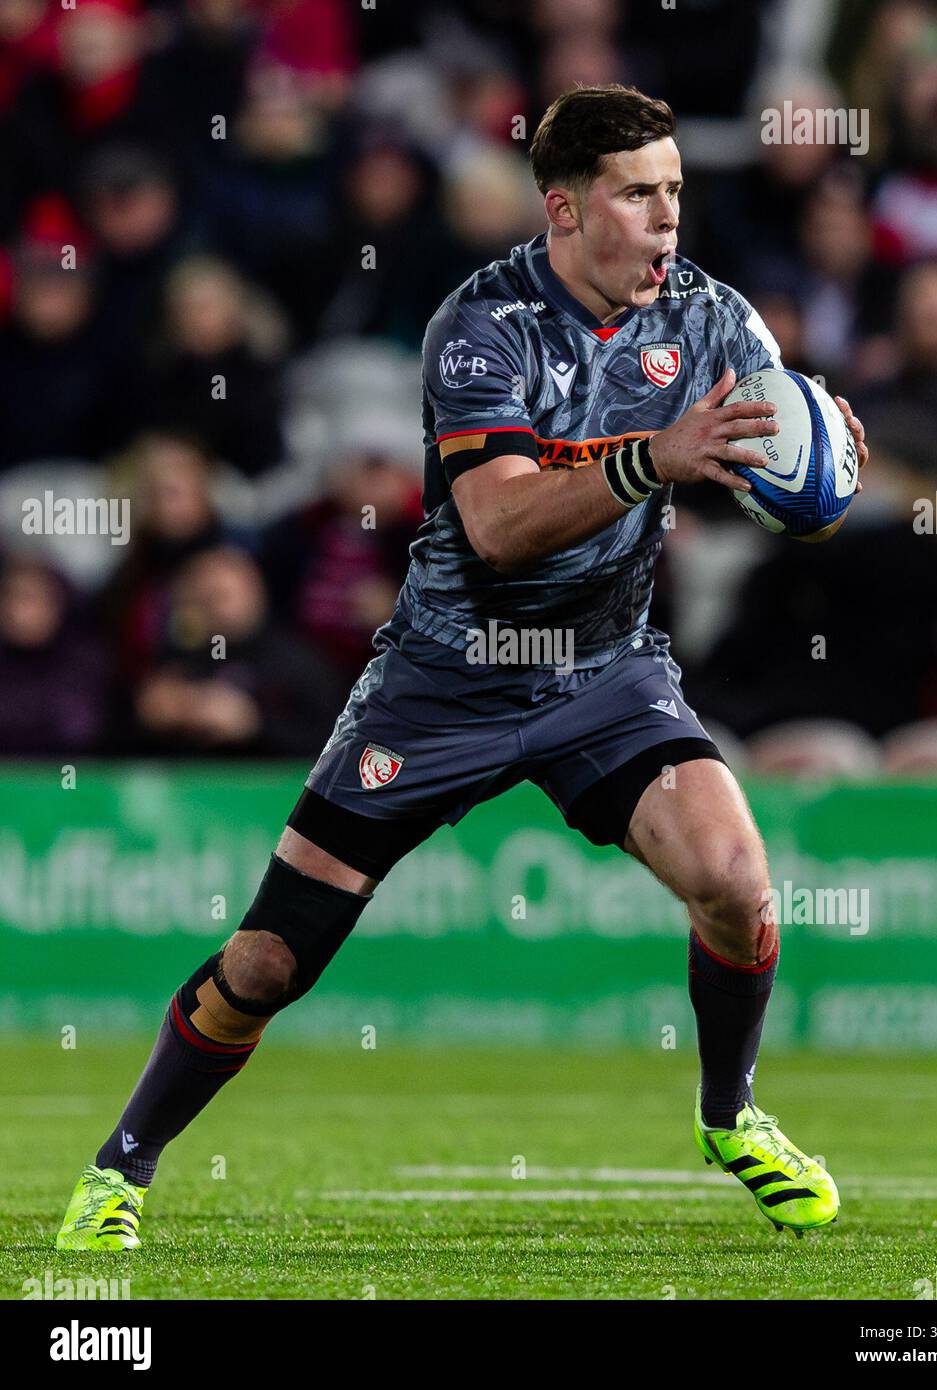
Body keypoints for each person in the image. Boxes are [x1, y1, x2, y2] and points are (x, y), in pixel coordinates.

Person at [56, 84, 868, 1251]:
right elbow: (495, 526)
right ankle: (120, 1168)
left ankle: (730, 1113)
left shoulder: (710, 320)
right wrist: (657, 456)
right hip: (444, 678)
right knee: (271, 959)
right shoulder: (481, 325)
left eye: (676, 192)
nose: (666, 220)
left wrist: (821, 466)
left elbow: (790, 480)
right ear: (563, 207)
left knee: (735, 881)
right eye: (638, 196)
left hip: (606, 671)